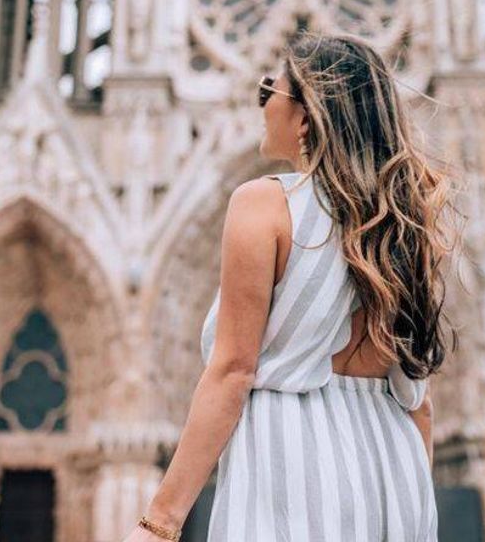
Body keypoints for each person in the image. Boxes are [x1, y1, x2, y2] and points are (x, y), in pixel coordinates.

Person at [122, 31, 462, 541]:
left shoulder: (264, 204)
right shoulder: (405, 224)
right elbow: (419, 399)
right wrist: (411, 497)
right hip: (397, 472)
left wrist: (160, 522)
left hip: (294, 471)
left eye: (269, 91)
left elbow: (233, 372)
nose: (260, 105)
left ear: (306, 115)